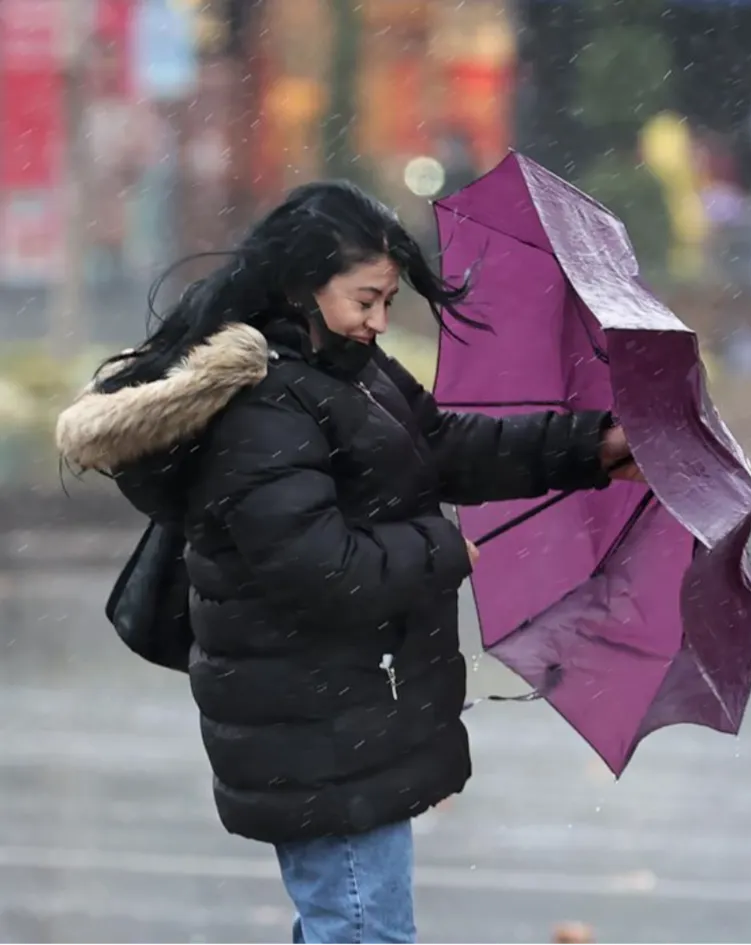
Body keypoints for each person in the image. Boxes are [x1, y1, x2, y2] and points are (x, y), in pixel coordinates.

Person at [55, 180, 640, 944]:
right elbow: (319, 566)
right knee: (365, 933)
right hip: (316, 727)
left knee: (351, 929)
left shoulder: (343, 371)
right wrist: (442, 550)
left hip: (346, 712)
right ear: (302, 285)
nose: (378, 321)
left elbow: (444, 447)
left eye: (388, 301)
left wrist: (590, 448)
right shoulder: (265, 406)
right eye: (365, 299)